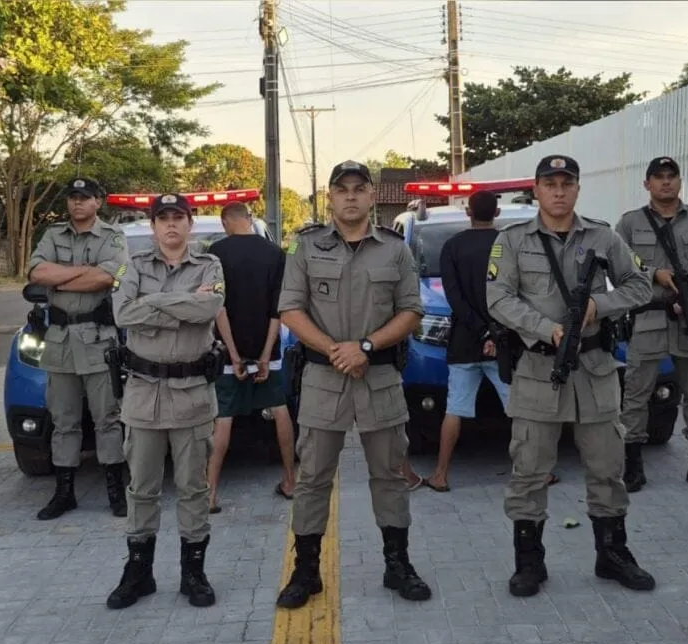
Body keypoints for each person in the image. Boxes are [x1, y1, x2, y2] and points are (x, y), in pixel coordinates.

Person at [487, 154, 656, 597]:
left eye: (566, 183)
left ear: (577, 188)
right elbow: (499, 298)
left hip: (595, 369)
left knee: (607, 467)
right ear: (536, 190)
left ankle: (612, 554)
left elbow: (640, 286)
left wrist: (600, 307)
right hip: (539, 368)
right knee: (529, 469)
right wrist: (549, 328)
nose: (558, 191)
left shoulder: (604, 236)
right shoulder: (512, 240)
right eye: (550, 183)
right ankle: (529, 562)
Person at [276, 160, 432, 609]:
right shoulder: (305, 248)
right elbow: (290, 310)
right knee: (312, 479)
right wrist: (336, 350)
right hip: (325, 377)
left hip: (379, 377)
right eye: (341, 189)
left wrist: (365, 346)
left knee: (389, 476)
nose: (350, 196)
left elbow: (411, 311)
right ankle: (306, 572)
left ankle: (397, 565)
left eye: (358, 188)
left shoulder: (395, 250)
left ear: (371, 196)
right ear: (330, 197)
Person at [105, 192, 226, 610]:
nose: (171, 225)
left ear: (190, 224)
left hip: (191, 393)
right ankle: (139, 572)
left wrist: (152, 303)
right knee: (142, 488)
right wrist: (181, 305)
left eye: (179, 217)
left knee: (193, 487)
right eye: (163, 218)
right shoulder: (132, 266)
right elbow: (123, 314)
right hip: (142, 393)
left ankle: (194, 573)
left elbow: (208, 307)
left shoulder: (210, 265)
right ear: (153, 226)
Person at [614, 157, 688, 493]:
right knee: (636, 395)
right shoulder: (630, 223)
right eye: (658, 177)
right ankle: (633, 467)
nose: (666, 183)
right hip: (648, 319)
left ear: (679, 182)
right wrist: (652, 275)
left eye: (671, 177)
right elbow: (617, 267)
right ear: (647, 184)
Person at [25, 177, 129, 521]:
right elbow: (37, 272)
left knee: (108, 419)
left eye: (85, 198)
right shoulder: (52, 235)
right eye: (73, 197)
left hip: (98, 339)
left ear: (97, 202)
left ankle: (116, 491)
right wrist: (84, 271)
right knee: (63, 420)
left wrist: (63, 276)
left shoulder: (113, 237)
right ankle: (64, 492)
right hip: (59, 340)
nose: (78, 203)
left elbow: (109, 277)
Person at [415, 190, 514, 492]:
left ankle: (441, 474)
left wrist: (479, 331)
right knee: (520, 410)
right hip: (503, 343)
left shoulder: (452, 247)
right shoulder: (507, 246)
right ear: (496, 213)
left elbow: (454, 298)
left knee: (455, 409)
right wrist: (494, 333)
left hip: (463, 343)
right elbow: (512, 295)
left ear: (468, 213)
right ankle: (537, 471)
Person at [205, 200, 297, 513]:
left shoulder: (214, 254)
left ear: (224, 222)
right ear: (250, 218)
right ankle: (289, 481)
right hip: (267, 351)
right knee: (280, 410)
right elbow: (278, 310)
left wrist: (233, 355)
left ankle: (210, 494)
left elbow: (218, 308)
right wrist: (264, 355)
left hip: (228, 352)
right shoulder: (275, 253)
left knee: (224, 418)